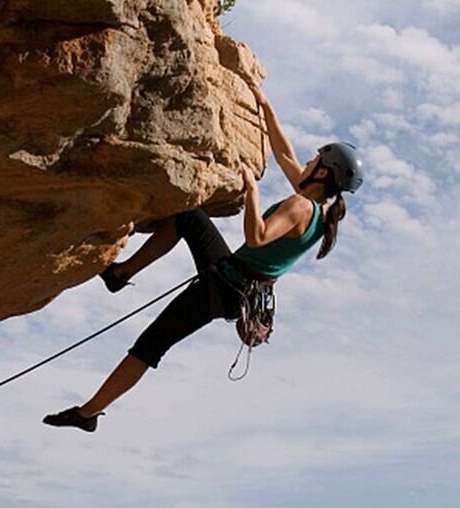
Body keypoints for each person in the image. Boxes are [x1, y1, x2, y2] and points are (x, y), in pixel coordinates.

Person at [43, 82, 364, 432]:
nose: (306, 160)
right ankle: (119, 276)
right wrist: (266, 106)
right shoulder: (319, 212)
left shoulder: (299, 205)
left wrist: (253, 191)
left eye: (315, 159)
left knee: (151, 344)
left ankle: (89, 411)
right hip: (235, 283)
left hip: (225, 285)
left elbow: (256, 238)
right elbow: (285, 154)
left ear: (323, 172)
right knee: (189, 218)